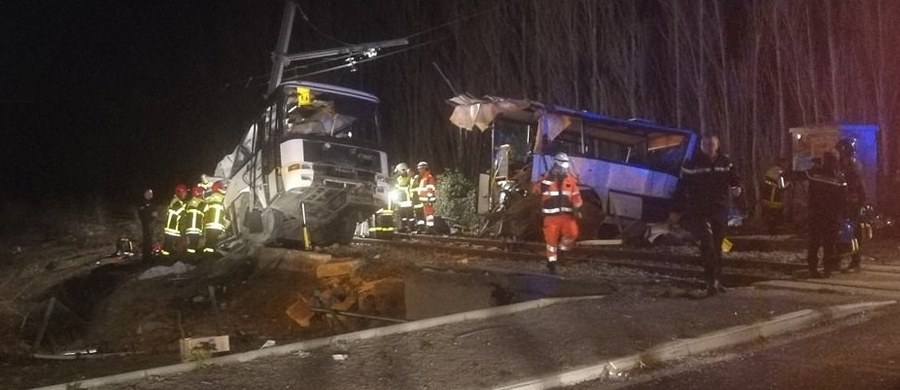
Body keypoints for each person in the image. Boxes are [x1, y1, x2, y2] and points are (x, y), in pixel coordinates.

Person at [676, 133, 742, 296]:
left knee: (719, 245)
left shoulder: (725, 162)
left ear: (717, 145)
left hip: (719, 208)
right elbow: (682, 186)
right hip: (698, 209)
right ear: (701, 146)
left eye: (712, 144)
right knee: (707, 243)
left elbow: (734, 179)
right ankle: (710, 281)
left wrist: (737, 188)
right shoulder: (692, 163)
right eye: (706, 145)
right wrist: (677, 210)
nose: (709, 148)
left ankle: (717, 281)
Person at [535, 152, 583, 275]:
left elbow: (575, 196)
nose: (564, 169)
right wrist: (549, 179)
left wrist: (578, 209)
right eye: (562, 166)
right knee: (551, 242)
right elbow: (538, 189)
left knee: (572, 233)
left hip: (567, 216)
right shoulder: (546, 178)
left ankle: (562, 251)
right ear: (556, 165)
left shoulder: (570, 180)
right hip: (550, 217)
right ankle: (552, 263)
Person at [805, 153, 848, 278]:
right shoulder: (839, 178)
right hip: (831, 216)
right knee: (829, 243)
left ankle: (813, 268)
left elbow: (811, 194)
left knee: (814, 243)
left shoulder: (815, 175)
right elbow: (843, 199)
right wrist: (843, 215)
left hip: (816, 214)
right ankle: (827, 269)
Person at [835, 138, 867, 272]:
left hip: (851, 204)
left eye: (840, 151)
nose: (839, 154)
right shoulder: (844, 164)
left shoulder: (852, 166)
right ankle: (839, 259)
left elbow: (854, 185)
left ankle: (855, 260)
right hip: (844, 203)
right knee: (841, 231)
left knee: (852, 232)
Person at [161, 184, 188, 256]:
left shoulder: (175, 201)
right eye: (185, 192)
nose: (186, 194)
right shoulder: (177, 203)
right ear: (180, 192)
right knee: (170, 244)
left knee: (168, 244)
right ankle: (166, 260)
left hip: (171, 226)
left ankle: (164, 257)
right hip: (173, 227)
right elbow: (182, 215)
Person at [202, 181, 228, 253]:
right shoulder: (223, 197)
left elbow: (204, 209)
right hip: (217, 224)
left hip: (209, 224)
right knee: (213, 241)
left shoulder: (209, 198)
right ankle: (210, 257)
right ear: (220, 188)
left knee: (209, 241)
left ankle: (205, 254)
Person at [414, 161, 437, 233]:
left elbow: (430, 190)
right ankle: (427, 228)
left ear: (424, 169)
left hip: (427, 200)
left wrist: (429, 200)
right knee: (426, 214)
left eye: (420, 169)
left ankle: (430, 228)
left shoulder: (428, 178)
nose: (419, 171)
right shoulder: (424, 178)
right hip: (424, 201)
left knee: (429, 215)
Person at [182, 186, 206, 254]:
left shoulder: (190, 202)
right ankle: (191, 258)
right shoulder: (201, 202)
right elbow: (208, 211)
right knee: (194, 244)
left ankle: (189, 257)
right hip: (195, 227)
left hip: (189, 227)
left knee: (191, 243)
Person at [393, 163, 415, 233]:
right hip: (401, 199)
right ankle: (403, 227)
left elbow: (406, 187)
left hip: (408, 199)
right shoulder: (399, 179)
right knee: (402, 215)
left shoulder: (409, 178)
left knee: (410, 214)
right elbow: (396, 188)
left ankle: (412, 227)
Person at [138, 188, 158, 259]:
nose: (150, 195)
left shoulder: (152, 204)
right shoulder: (142, 203)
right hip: (146, 224)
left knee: (150, 239)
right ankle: (146, 255)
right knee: (146, 239)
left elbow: (155, 213)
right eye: (148, 193)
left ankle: (149, 254)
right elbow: (142, 213)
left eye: (151, 193)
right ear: (145, 194)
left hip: (151, 224)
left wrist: (153, 217)